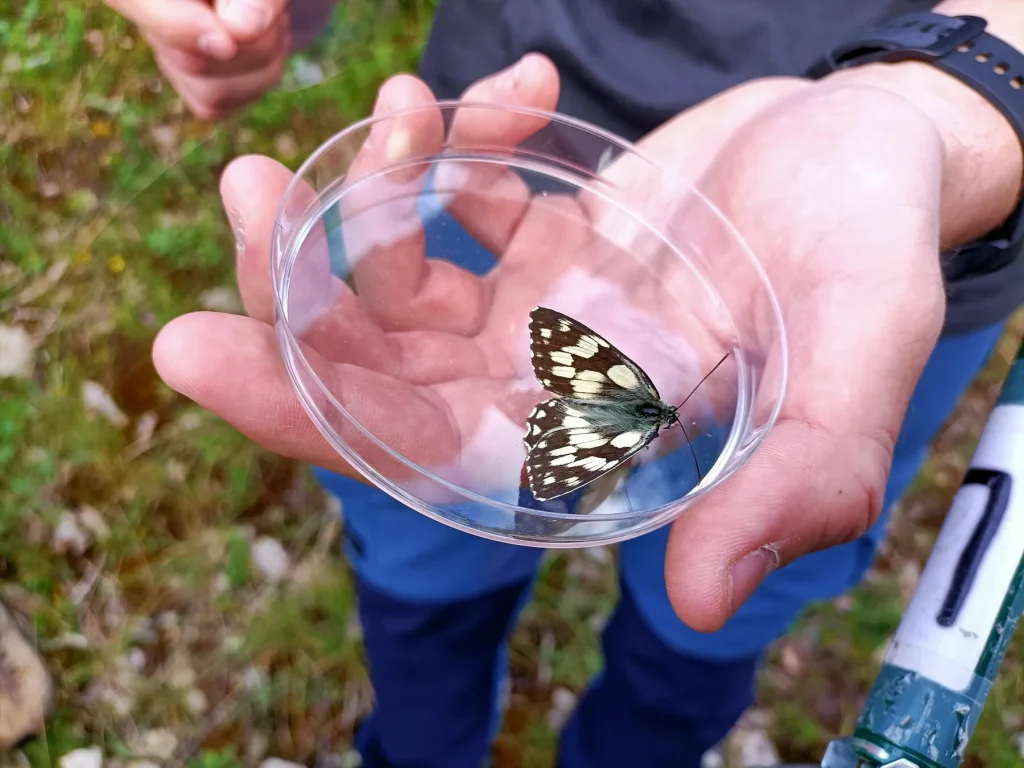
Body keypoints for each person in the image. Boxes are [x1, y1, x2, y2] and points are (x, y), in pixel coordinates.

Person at [106, 0, 1024, 766]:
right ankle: (423, 744)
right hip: (500, 163)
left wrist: (966, 91)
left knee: (717, 606)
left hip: (893, 228)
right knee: (424, 520)